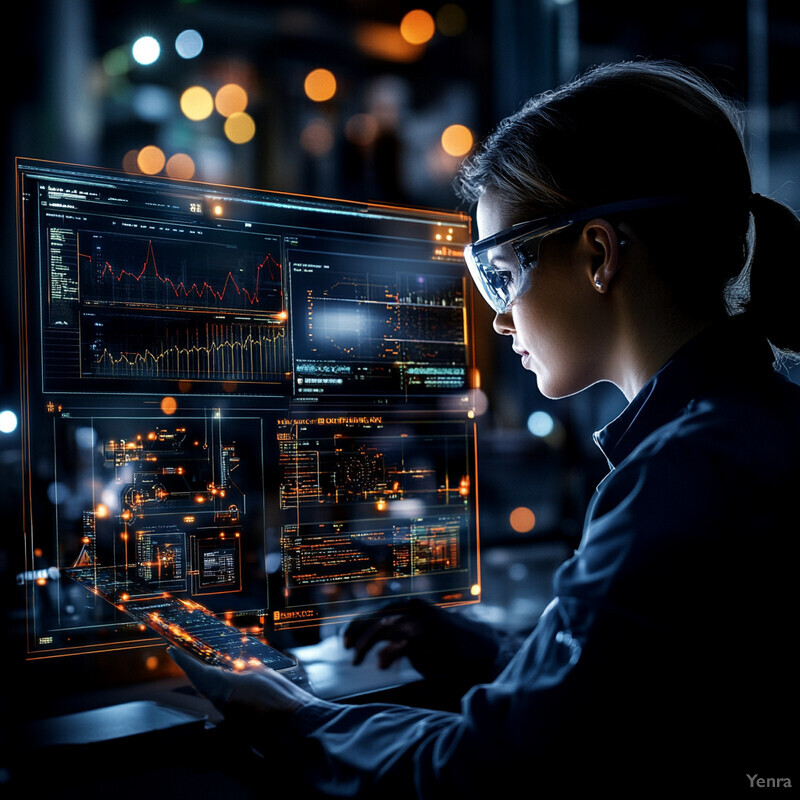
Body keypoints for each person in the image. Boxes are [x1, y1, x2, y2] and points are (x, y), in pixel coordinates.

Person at [170, 60, 800, 796]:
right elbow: (657, 686)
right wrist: (491, 652)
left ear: (598, 255)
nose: (498, 318)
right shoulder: (760, 422)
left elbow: (485, 770)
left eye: (501, 271)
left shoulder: (682, 476)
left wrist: (292, 715)